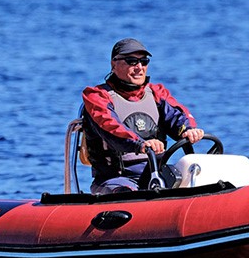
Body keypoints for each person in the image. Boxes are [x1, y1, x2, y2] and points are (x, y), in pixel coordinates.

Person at [82, 38, 205, 194]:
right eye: (131, 61)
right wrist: (140, 144)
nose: (139, 67)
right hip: (115, 180)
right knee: (127, 192)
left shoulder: (156, 93)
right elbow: (111, 127)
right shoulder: (97, 97)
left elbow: (176, 115)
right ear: (114, 65)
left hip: (157, 176)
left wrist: (187, 130)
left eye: (144, 61)